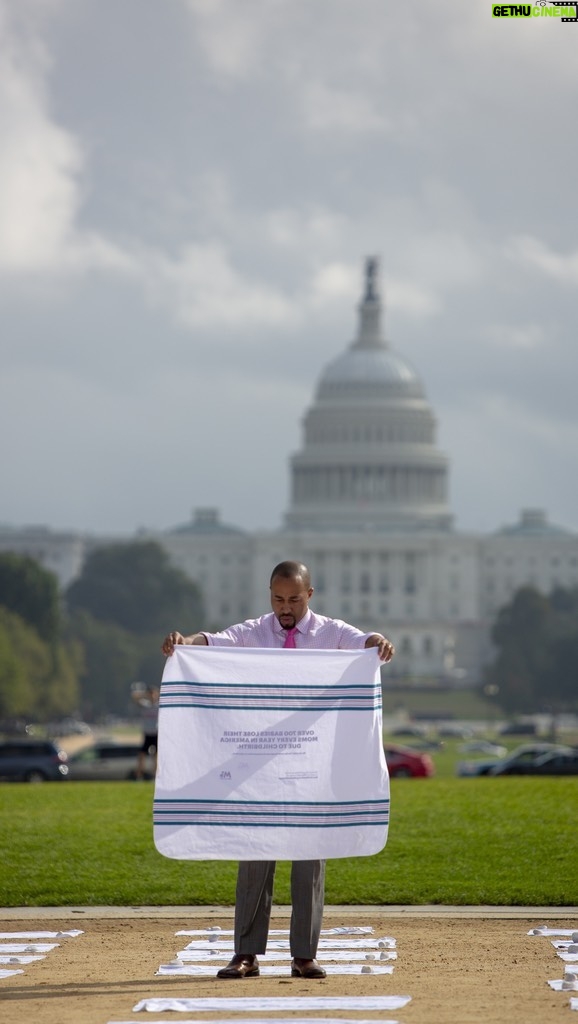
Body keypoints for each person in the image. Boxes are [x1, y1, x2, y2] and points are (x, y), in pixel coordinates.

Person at [161, 560, 394, 980]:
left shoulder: (331, 633)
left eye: (293, 599)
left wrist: (378, 640)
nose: (285, 607)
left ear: (310, 594)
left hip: (311, 766)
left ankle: (304, 954)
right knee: (254, 854)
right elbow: (216, 641)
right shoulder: (254, 631)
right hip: (260, 766)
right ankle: (245, 953)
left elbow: (364, 642)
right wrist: (186, 642)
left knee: (309, 860)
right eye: (277, 598)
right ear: (269, 593)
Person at [131, 684, 159, 780]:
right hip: (147, 733)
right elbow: (135, 698)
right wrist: (144, 694)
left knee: (156, 756)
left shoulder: (159, 706)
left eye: (153, 694)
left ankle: (155, 776)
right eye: (150, 694)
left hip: (156, 733)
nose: (152, 695)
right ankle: (139, 776)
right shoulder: (145, 705)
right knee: (141, 755)